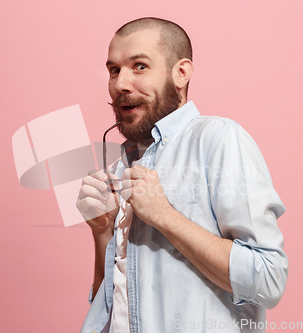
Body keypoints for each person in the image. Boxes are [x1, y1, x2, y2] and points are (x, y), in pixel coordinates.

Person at [76, 17, 288, 333]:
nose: (120, 83)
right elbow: (110, 307)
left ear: (181, 73)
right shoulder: (120, 167)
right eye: (114, 70)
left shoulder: (218, 140)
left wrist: (164, 216)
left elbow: (268, 279)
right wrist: (103, 233)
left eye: (140, 67)